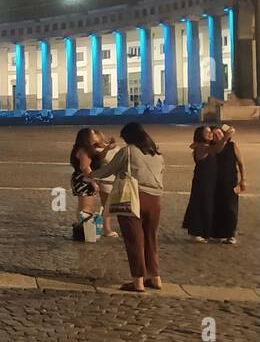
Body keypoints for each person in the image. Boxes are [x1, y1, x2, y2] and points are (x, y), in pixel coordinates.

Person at [85, 122, 165, 293]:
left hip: (133, 197)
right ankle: (155, 277)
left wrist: (90, 175)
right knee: (151, 237)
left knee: (134, 240)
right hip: (155, 199)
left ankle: (138, 282)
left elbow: (108, 170)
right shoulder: (157, 154)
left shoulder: (128, 151)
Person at [182, 126, 224, 243]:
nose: (210, 134)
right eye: (207, 132)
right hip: (202, 180)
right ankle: (196, 232)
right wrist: (226, 136)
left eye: (211, 132)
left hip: (210, 179)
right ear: (200, 135)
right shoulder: (202, 147)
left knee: (208, 204)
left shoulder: (204, 146)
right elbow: (216, 149)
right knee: (200, 204)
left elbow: (217, 148)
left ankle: (205, 232)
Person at [68, 128, 111, 238]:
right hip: (84, 180)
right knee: (85, 208)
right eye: (92, 134)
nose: (95, 135)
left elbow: (96, 159)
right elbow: (85, 167)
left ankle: (84, 230)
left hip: (83, 179)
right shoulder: (84, 150)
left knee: (84, 207)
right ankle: (84, 232)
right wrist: (93, 182)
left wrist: (106, 149)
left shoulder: (87, 149)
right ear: (86, 137)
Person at [210, 125, 246, 244]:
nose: (217, 136)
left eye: (219, 133)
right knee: (218, 207)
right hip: (215, 181)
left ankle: (231, 234)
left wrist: (243, 180)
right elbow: (217, 150)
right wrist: (225, 137)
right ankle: (218, 233)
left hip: (230, 181)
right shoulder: (213, 147)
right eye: (214, 135)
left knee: (231, 208)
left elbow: (241, 164)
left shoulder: (233, 146)